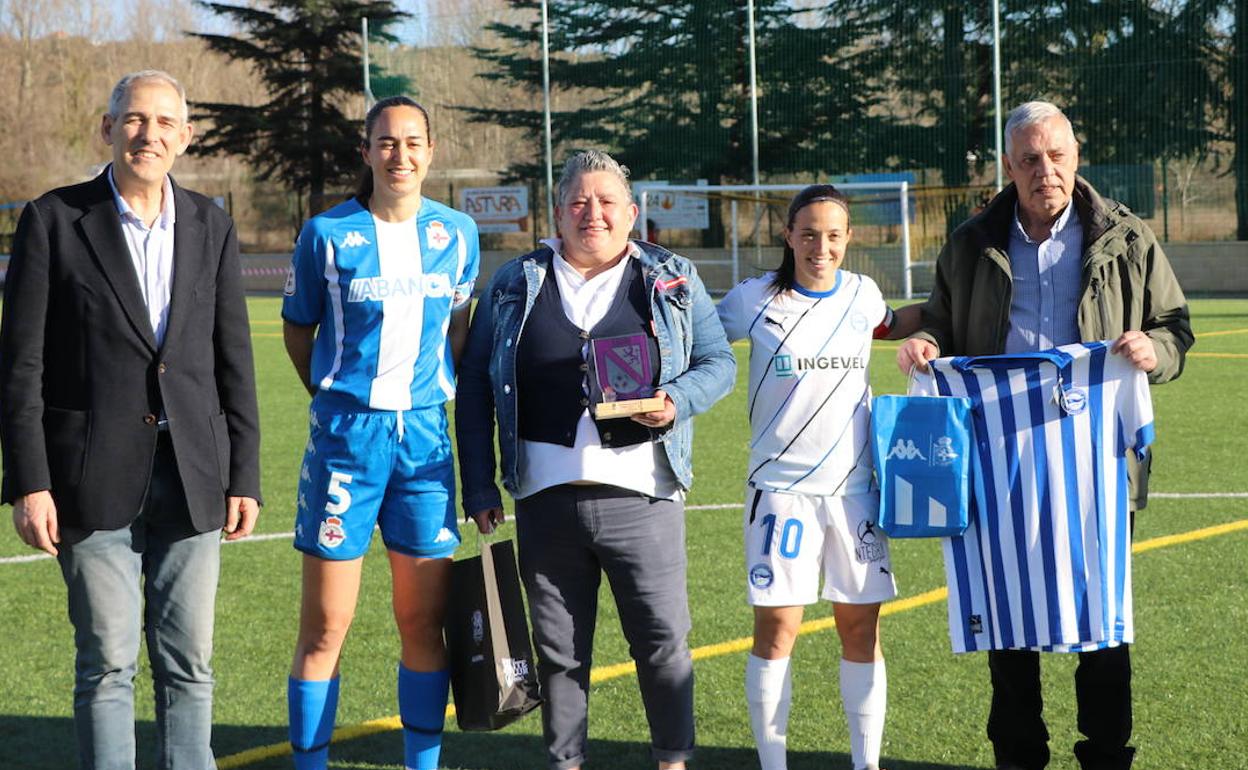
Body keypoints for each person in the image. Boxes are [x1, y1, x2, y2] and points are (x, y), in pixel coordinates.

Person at [896, 100, 1193, 770]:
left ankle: (1108, 753)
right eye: (1029, 159)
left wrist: (1155, 348)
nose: (1044, 171)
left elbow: (1175, 324)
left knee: (1101, 618)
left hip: (1095, 460)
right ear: (1009, 166)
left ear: (1076, 156)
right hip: (998, 454)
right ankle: (1020, 755)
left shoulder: (1126, 235)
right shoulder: (972, 240)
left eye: (1056, 156)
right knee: (1007, 616)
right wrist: (922, 341)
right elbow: (940, 322)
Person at [0, 69, 261, 769]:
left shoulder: (211, 224)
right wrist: (29, 483)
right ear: (108, 129)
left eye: (164, 123)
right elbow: (20, 366)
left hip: (195, 476)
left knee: (190, 666)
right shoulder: (54, 219)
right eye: (135, 120)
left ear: (185, 137)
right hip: (89, 482)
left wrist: (246, 476)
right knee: (108, 664)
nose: (149, 134)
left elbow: (233, 359)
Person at [455, 149, 735, 770]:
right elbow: (474, 385)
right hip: (545, 499)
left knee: (662, 643)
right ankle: (566, 762)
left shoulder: (673, 279)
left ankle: (672, 760)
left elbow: (720, 363)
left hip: (644, 496)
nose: (593, 213)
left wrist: (675, 401)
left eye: (607, 202)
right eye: (579, 201)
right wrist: (479, 485)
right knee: (558, 653)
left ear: (632, 213)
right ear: (557, 212)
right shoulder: (513, 284)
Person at [281, 95, 479, 770]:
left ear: (431, 151)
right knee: (326, 626)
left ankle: (422, 765)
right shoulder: (328, 234)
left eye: (413, 142)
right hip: (347, 441)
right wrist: (338, 400)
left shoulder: (458, 233)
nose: (401, 154)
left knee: (422, 622)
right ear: (366, 153)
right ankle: (311, 764)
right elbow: (298, 330)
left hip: (425, 441)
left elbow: (458, 331)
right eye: (386, 143)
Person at [717, 185, 918, 770]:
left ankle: (866, 763)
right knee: (778, 631)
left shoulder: (862, 293)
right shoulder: (755, 299)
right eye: (808, 234)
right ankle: (773, 764)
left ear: (848, 239)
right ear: (788, 236)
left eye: (833, 235)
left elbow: (890, 324)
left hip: (856, 494)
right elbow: (699, 337)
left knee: (860, 631)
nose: (820, 247)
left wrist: (938, 321)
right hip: (780, 494)